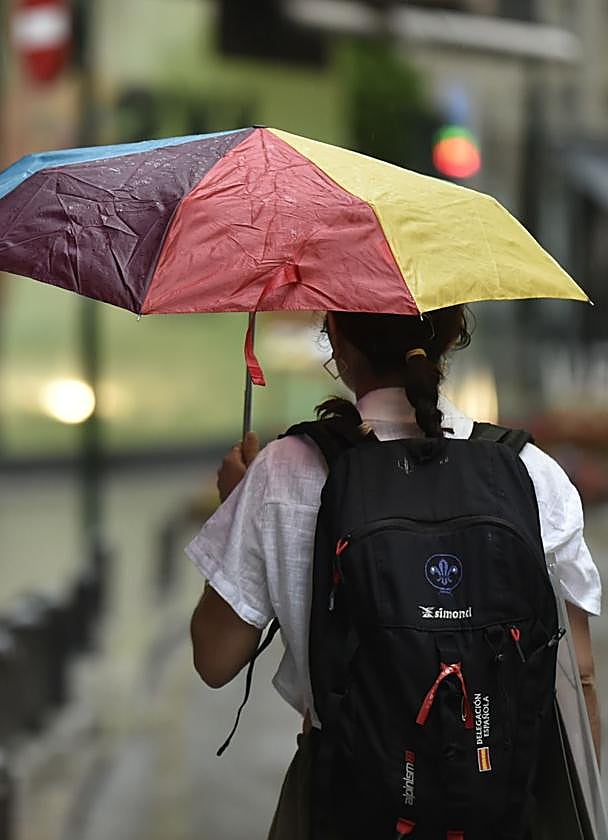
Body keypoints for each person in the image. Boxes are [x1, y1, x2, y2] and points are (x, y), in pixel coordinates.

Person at [187, 307, 601, 838]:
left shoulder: (283, 472)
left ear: (335, 335)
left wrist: (234, 508)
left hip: (345, 803)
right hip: (502, 803)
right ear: (454, 335)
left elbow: (214, 659)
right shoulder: (532, 473)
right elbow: (579, 677)